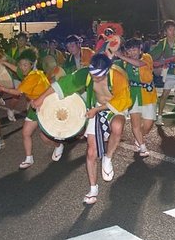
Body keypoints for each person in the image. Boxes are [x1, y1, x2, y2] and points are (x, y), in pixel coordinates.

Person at [33, 54, 131, 204]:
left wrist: (99, 109)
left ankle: (108, 157)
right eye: (93, 76)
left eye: (98, 76)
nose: (95, 79)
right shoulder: (86, 74)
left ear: (107, 70)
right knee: (91, 152)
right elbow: (63, 84)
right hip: (94, 108)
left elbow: (123, 100)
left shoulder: (118, 77)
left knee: (117, 126)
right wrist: (40, 98)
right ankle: (93, 189)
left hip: (114, 109)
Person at [0, 49, 64, 168]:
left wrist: (0, 88)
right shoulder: (30, 72)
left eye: (25, 64)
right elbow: (17, 69)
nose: (22, 67)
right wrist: (3, 63)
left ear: (32, 64)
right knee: (26, 132)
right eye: (21, 64)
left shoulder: (34, 76)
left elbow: (17, 92)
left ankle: (58, 145)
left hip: (47, 107)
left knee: (44, 138)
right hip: (35, 106)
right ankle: (29, 158)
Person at [115, 38, 156, 157]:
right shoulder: (122, 63)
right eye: (129, 50)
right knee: (135, 124)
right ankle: (142, 146)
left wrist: (122, 56)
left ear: (140, 49)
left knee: (148, 125)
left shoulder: (147, 57)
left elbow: (139, 64)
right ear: (126, 51)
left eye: (134, 49)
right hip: (133, 95)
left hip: (147, 95)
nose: (132, 52)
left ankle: (139, 138)